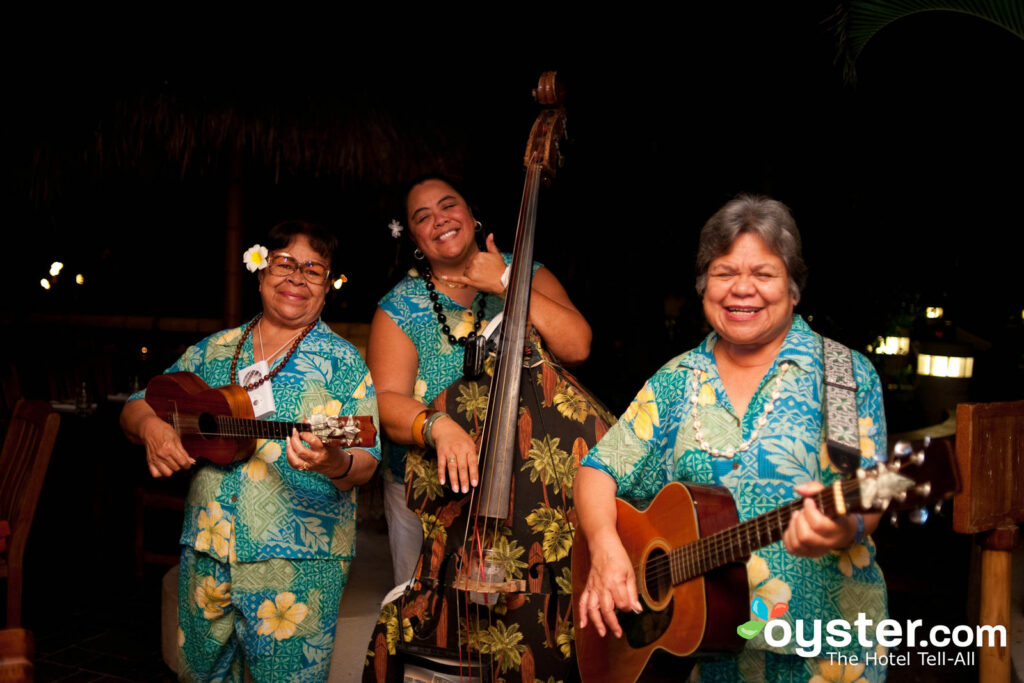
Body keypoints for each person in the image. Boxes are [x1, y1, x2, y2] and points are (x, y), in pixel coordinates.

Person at [575, 195, 888, 682]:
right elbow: (598, 470)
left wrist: (843, 528)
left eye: (763, 273)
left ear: (794, 287)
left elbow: (866, 492)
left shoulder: (843, 375)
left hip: (826, 653)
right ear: (704, 286)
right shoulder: (676, 380)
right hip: (713, 653)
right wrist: (605, 547)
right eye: (724, 273)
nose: (743, 289)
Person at [120, 220, 380, 682]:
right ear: (260, 274)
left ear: (326, 288)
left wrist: (334, 461)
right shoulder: (214, 350)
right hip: (206, 549)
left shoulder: (343, 361)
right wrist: (151, 430)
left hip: (298, 564)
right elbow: (138, 403)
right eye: (284, 263)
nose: (297, 277)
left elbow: (367, 459)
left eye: (313, 269)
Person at [369, 175, 592, 585]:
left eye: (448, 206)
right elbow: (384, 399)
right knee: (429, 621)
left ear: (472, 217)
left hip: (530, 482)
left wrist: (507, 283)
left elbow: (577, 346)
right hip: (426, 492)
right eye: (423, 217)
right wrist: (439, 426)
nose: (439, 219)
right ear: (417, 240)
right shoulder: (397, 307)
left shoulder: (529, 274)